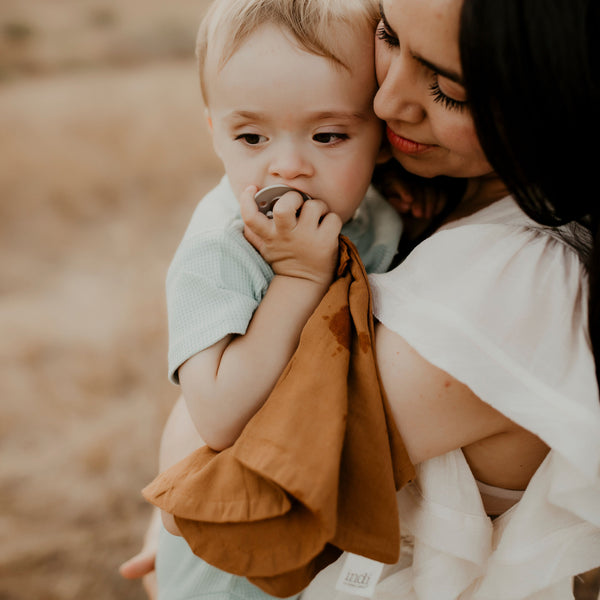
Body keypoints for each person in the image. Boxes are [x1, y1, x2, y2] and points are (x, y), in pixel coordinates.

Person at [122, 0, 600, 597]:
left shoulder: (518, 282)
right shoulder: (392, 191)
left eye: (448, 89)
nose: (381, 101)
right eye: (389, 36)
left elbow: (205, 484)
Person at [122, 0, 441, 597]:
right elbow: (215, 415)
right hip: (232, 563)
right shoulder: (225, 250)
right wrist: (297, 280)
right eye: (251, 135)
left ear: (380, 139)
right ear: (213, 132)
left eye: (328, 135)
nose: (288, 165)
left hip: (319, 540)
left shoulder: (368, 208)